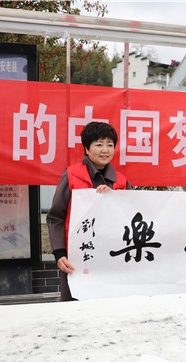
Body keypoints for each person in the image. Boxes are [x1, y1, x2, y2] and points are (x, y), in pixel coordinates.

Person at [46, 122, 131, 301]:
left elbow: (130, 217)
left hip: (112, 259)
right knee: (76, 308)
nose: (105, 150)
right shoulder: (72, 175)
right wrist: (59, 253)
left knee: (111, 306)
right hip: (77, 259)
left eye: (110, 145)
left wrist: (113, 199)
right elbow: (55, 217)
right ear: (86, 148)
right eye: (99, 144)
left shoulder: (121, 181)